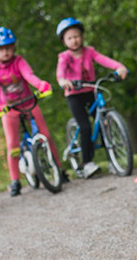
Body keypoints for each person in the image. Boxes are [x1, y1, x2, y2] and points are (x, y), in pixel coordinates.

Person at [0, 27, 62, 196]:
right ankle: (15, 180)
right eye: (0, 49)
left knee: (46, 135)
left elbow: (29, 75)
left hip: (28, 102)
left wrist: (40, 85)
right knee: (12, 144)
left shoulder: (19, 61)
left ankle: (58, 169)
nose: (5, 52)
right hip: (9, 108)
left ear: (13, 48)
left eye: (8, 47)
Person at [54, 17, 128, 179]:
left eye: (77, 36)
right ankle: (86, 163)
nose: (74, 40)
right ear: (63, 41)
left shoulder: (89, 51)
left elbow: (104, 60)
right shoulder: (64, 57)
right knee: (85, 127)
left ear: (82, 36)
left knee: (103, 123)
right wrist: (63, 81)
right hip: (74, 94)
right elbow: (60, 72)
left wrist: (119, 67)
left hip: (90, 90)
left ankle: (112, 161)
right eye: (69, 38)